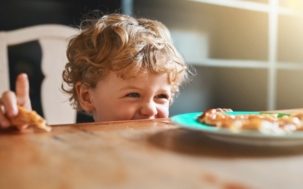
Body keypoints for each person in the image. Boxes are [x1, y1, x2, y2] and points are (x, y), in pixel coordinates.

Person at [0, 12, 193, 130]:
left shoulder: (165, 148)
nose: (151, 109)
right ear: (87, 96)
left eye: (161, 96)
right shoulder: (74, 154)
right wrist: (20, 134)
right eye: (133, 94)